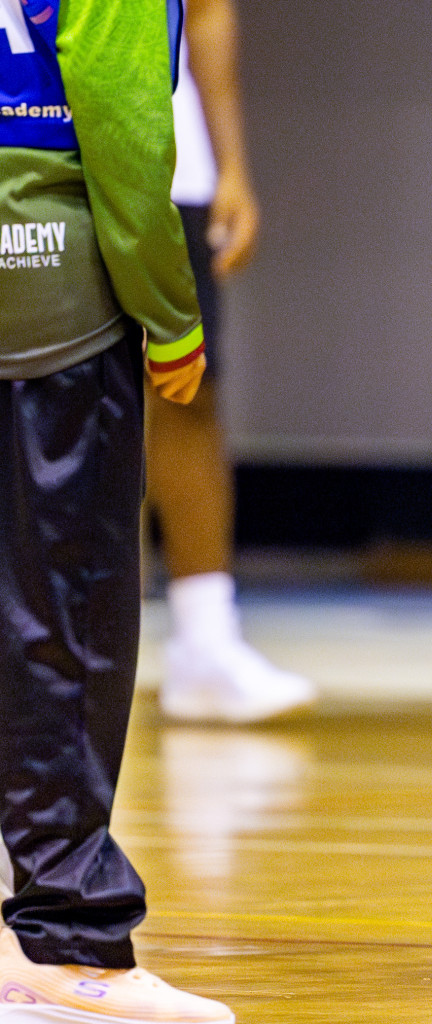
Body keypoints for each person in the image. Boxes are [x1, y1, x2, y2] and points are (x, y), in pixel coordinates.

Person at [0, 0, 234, 1020]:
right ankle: (69, 938)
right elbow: (126, 123)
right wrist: (171, 316)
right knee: (68, 617)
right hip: (52, 291)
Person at [144, 0, 316, 724]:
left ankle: (205, 645)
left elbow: (208, 10)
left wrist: (231, 165)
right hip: (37, 148)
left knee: (188, 390)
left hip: (168, 160)